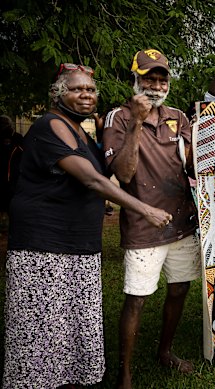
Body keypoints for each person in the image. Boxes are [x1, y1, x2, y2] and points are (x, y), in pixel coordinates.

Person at [3, 64, 171, 388]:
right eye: (77, 89)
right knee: (42, 335)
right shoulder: (48, 125)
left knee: (74, 332)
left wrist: (135, 121)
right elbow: (93, 180)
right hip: (43, 250)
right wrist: (145, 209)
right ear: (57, 94)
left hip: (79, 248)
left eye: (91, 90)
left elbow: (119, 171)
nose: (86, 95)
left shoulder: (83, 131)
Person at [102, 49, 201, 388]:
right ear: (135, 80)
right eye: (149, 78)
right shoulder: (118, 117)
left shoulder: (177, 116)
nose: (156, 85)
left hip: (181, 221)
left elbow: (191, 166)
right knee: (137, 298)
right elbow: (125, 174)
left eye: (162, 79)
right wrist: (138, 123)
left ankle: (165, 351)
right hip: (145, 224)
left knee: (179, 289)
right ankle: (125, 373)